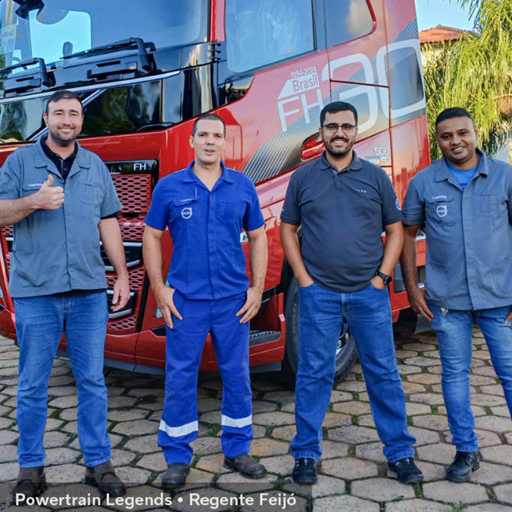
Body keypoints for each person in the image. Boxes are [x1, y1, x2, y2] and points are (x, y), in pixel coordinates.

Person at [280, 101, 423, 485]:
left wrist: (381, 277)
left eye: (346, 126)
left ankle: (400, 453)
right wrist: (303, 279)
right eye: (332, 126)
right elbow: (287, 228)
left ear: (356, 131)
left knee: (383, 373)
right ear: (321, 132)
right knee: (313, 374)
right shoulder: (303, 178)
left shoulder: (375, 177)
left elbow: (395, 230)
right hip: (319, 295)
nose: (339, 133)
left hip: (368, 294)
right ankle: (305, 453)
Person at [0, 90, 130, 504]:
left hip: (88, 292)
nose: (67, 120)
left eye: (74, 113)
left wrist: (121, 274)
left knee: (92, 381)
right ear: (46, 118)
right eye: (59, 113)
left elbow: (108, 220)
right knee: (31, 384)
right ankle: (30, 469)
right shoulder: (19, 162)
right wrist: (34, 202)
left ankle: (99, 463)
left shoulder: (95, 165)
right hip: (37, 293)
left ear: (81, 120)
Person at [143, 113, 268, 489]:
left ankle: (237, 450)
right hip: (186, 302)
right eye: (204, 135)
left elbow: (258, 237)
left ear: (225, 143)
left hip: (233, 302)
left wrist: (257, 289)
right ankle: (177, 457)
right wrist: (159, 289)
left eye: (217, 135)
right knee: (180, 377)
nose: (210, 141)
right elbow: (151, 236)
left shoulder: (242, 186)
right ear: (192, 141)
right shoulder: (169, 187)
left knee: (237, 376)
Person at [401, 107, 512, 482]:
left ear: (475, 132)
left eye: (462, 133)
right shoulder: (423, 183)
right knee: (454, 375)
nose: (456, 141)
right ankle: (466, 450)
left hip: (500, 299)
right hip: (448, 302)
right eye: (446, 136)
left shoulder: (504, 176)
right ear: (438, 141)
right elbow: (407, 234)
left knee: (510, 374)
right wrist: (412, 287)